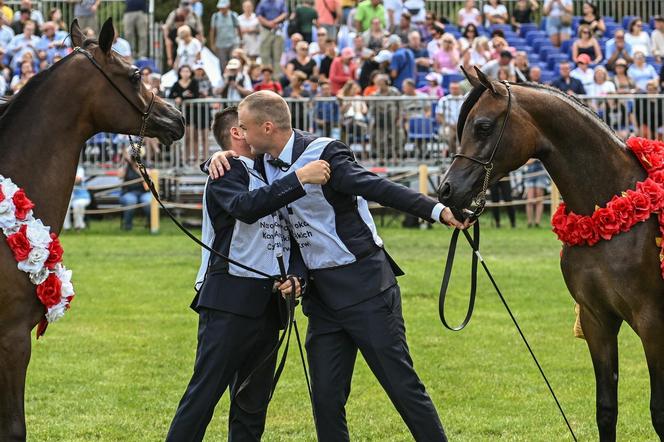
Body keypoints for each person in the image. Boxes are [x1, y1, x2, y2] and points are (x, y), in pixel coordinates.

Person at [207, 90, 467, 442]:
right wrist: (215, 158)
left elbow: (378, 187)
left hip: (366, 289)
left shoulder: (324, 153)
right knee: (326, 400)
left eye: (243, 127)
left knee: (401, 386)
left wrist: (438, 211)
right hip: (323, 300)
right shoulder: (263, 165)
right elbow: (290, 231)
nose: (238, 133)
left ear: (266, 128)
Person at [166, 105, 322, 442]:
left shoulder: (271, 174)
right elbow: (245, 208)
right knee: (203, 396)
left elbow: (291, 237)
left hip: (268, 306)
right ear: (238, 132)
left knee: (253, 406)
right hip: (229, 301)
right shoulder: (228, 169)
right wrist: (300, 178)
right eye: (252, 126)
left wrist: (297, 276)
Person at [118, 149, 151, 230]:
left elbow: (147, 177)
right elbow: (120, 176)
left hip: (144, 192)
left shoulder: (145, 165)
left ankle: (151, 224)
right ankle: (128, 226)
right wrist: (126, 162)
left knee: (148, 202)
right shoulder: (126, 166)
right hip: (129, 192)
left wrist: (136, 167)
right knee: (130, 201)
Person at [257, 0, 288, 74]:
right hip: (266, 30)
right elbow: (259, 15)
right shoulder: (262, 2)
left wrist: (275, 21)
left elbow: (285, 13)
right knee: (265, 55)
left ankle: (276, 78)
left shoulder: (281, 2)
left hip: (278, 29)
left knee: (278, 56)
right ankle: (266, 77)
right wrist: (268, 23)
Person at [210, 0, 240, 70]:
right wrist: (212, 44)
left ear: (228, 6)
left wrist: (241, 41)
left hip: (233, 43)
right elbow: (212, 31)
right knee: (222, 63)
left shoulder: (233, 15)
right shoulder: (216, 16)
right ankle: (224, 77)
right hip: (220, 44)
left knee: (233, 61)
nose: (222, 9)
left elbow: (238, 28)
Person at [436, 81, 463, 156]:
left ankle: (460, 155)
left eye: (456, 88)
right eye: (452, 88)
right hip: (447, 126)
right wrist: (450, 125)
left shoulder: (465, 100)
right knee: (450, 136)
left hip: (462, 126)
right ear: (449, 89)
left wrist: (459, 125)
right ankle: (455, 155)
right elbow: (439, 116)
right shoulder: (444, 100)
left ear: (460, 89)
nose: (454, 90)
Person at [63, 166, 91, 231]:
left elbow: (78, 179)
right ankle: (66, 227)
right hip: (68, 196)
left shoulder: (79, 169)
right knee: (64, 206)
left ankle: (78, 226)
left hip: (81, 196)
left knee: (78, 204)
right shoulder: (64, 168)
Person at [524, 159, 547, 228]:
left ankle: (537, 222)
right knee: (529, 199)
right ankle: (529, 222)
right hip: (529, 173)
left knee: (539, 199)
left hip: (541, 173)